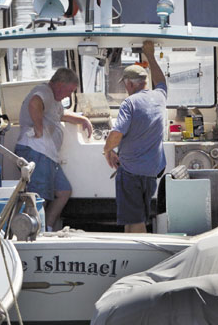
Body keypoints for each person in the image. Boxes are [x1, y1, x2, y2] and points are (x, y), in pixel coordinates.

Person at [15, 68, 93, 231]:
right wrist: (38, 129)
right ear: (59, 84)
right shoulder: (44, 91)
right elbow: (34, 103)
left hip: (48, 155)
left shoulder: (54, 99)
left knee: (64, 191)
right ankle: (31, 232)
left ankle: (47, 228)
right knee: (37, 198)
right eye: (69, 91)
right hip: (36, 152)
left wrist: (82, 119)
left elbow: (60, 115)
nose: (68, 96)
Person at [103, 40, 167, 233]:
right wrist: (151, 55)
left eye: (125, 85)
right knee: (133, 220)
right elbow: (161, 80)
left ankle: (140, 257)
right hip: (151, 172)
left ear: (130, 84)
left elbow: (116, 134)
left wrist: (107, 151)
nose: (125, 88)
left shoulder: (129, 103)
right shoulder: (160, 97)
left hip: (131, 173)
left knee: (136, 221)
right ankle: (128, 255)